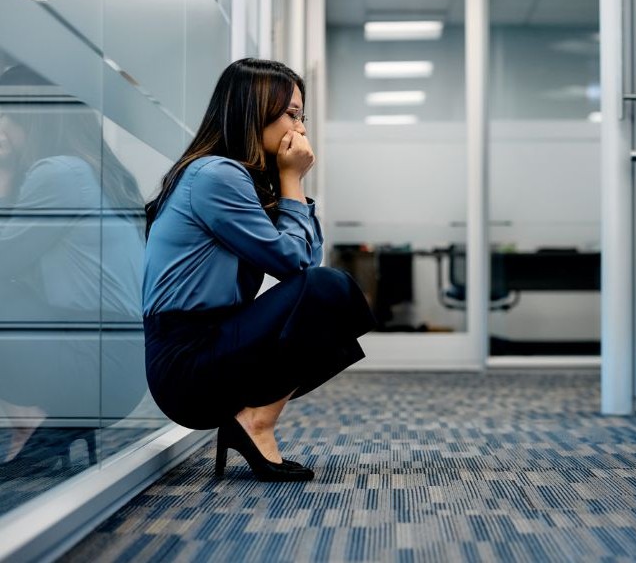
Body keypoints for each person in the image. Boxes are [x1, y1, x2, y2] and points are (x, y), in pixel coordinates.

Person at [142, 59, 375, 482]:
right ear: (254, 111)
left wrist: (288, 185)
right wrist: (293, 181)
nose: (300, 129)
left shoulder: (239, 179)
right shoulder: (216, 175)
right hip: (185, 362)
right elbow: (297, 264)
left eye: (302, 117)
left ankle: (252, 420)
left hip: (211, 341)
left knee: (331, 294)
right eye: (292, 115)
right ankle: (255, 422)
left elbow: (306, 261)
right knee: (329, 289)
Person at [0, 63, 146, 478]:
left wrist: (4, 173)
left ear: (29, 116)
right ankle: (31, 419)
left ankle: (28, 418)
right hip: (121, 361)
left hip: (95, 363)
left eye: (3, 113)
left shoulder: (58, 174)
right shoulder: (92, 171)